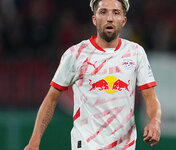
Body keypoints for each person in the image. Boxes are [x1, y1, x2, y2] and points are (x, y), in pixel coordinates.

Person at [24, 0, 161, 149]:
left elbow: (150, 97)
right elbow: (51, 99)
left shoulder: (136, 53)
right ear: (94, 19)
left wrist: (155, 121)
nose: (109, 18)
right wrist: (34, 141)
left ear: (123, 21)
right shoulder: (75, 54)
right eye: (103, 12)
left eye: (116, 13)